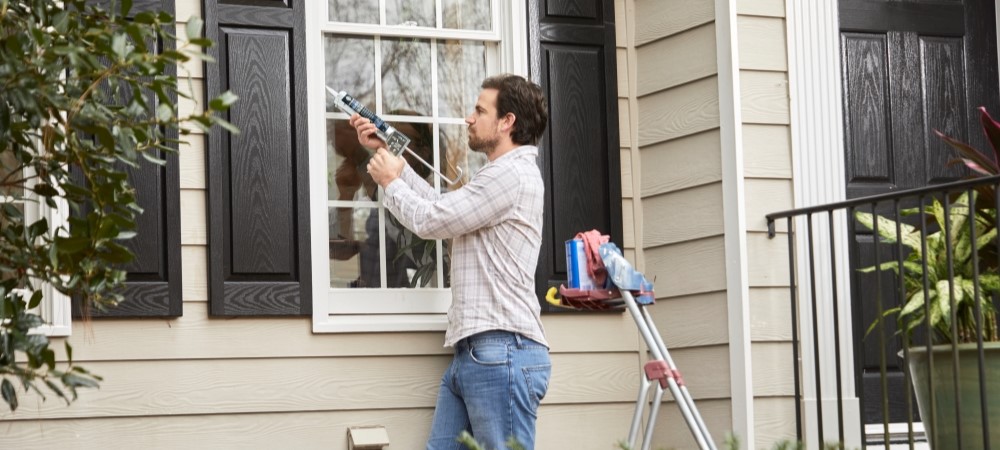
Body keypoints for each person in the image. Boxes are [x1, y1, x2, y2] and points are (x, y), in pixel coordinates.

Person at [350, 73, 550, 450]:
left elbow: (431, 221)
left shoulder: (510, 175)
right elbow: (439, 207)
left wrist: (391, 182)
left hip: (501, 351)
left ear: (507, 122)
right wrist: (392, 157)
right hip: (477, 353)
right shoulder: (498, 176)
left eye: (479, 110)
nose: (468, 119)